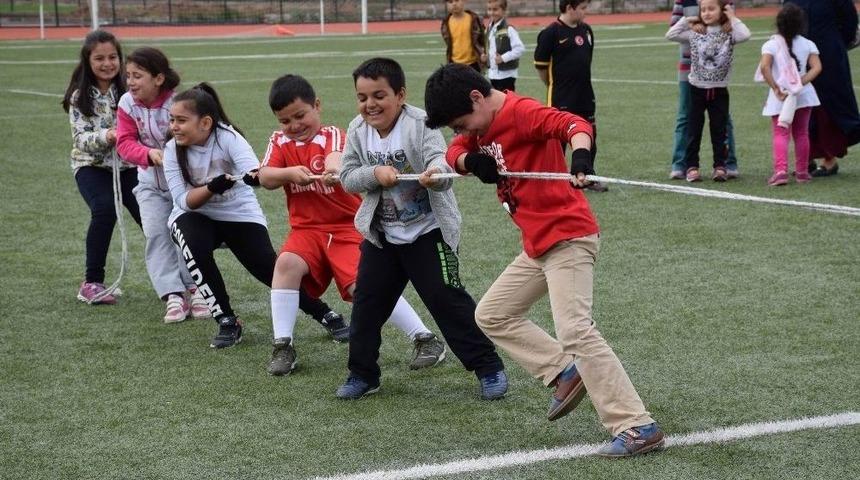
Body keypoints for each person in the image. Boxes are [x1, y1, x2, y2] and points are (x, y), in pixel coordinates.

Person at [424, 63, 664, 458]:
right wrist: (470, 161)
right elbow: (454, 153)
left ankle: (637, 425)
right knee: (492, 314)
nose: (463, 133)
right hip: (537, 245)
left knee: (575, 330)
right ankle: (564, 371)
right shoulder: (479, 127)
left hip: (568, 237)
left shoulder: (522, 113)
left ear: (476, 98)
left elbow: (573, 125)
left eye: (462, 123)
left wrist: (582, 158)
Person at [117, 47, 337, 328]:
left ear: (206, 123)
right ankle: (225, 320)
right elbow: (184, 202)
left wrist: (275, 175)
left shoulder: (228, 138)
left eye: (181, 120)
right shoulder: (172, 150)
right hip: (197, 215)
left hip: (237, 213)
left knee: (267, 268)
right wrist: (211, 187)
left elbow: (255, 174)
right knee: (188, 235)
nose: (174, 126)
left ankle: (325, 314)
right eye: (172, 120)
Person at [335, 57, 506, 400]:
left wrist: (435, 175)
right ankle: (363, 374)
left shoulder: (420, 124)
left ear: (400, 95)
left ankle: (488, 368)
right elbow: (347, 177)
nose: (370, 104)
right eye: (363, 97)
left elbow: (441, 163)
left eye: (379, 95)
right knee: (366, 305)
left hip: (429, 234)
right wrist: (374, 175)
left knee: (448, 301)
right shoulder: (357, 129)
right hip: (382, 237)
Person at [258, 73, 447, 375]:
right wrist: (289, 172)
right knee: (285, 266)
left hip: (345, 228)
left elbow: (336, 159)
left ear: (316, 106)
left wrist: (334, 170)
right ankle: (283, 345)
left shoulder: (332, 134)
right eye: (285, 120)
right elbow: (265, 176)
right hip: (306, 230)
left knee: (365, 286)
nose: (294, 126)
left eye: (300, 115)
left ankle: (424, 338)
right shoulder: (278, 141)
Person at [115, 47, 209, 322]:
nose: (131, 82)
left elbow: (196, 138)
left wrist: (171, 152)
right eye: (128, 76)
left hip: (185, 186)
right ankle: (172, 295)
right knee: (156, 234)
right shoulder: (126, 104)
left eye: (137, 76)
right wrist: (148, 154)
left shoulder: (180, 102)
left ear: (158, 78)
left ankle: (197, 288)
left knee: (186, 236)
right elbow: (124, 143)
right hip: (149, 184)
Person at [62, 30, 141, 305]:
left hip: (129, 165)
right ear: (88, 60)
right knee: (104, 209)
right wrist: (108, 136)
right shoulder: (78, 96)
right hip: (91, 166)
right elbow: (81, 140)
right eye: (99, 58)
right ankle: (92, 282)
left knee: (151, 214)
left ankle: (180, 280)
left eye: (112, 57)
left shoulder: (130, 90)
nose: (107, 63)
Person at [666, 0, 750, 182]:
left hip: (719, 90)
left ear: (722, 11)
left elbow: (745, 34)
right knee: (693, 128)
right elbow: (671, 34)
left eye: (711, 9)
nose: (706, 13)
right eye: (703, 10)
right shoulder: (694, 32)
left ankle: (721, 166)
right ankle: (690, 166)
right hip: (696, 87)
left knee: (719, 130)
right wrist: (689, 20)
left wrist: (733, 18)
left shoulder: (728, 33)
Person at [534, 0, 608, 192]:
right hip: (561, 97)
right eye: (583, 8)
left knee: (590, 136)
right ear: (569, 8)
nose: (586, 12)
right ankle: (555, 181)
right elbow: (541, 67)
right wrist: (553, 85)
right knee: (558, 143)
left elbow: (586, 61)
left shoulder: (587, 31)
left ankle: (587, 177)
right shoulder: (550, 33)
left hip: (584, 95)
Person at [784, 0, 860, 177]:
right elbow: (786, 19)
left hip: (829, 55)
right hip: (798, 57)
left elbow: (850, 21)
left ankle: (829, 159)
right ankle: (806, 159)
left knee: (828, 107)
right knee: (800, 105)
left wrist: (838, 43)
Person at [757, 3, 821, 186]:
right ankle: (802, 172)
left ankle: (781, 171)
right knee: (802, 133)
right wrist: (801, 82)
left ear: (778, 23)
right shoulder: (808, 43)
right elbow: (817, 67)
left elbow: (764, 67)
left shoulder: (770, 44)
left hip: (782, 95)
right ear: (801, 24)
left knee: (780, 133)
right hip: (803, 94)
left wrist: (776, 87)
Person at [481, 0, 524, 92]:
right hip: (493, 74)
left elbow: (519, 49)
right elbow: (490, 48)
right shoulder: (489, 28)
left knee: (507, 101)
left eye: (495, 9)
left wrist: (503, 58)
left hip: (507, 74)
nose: (492, 12)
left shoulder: (509, 29)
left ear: (504, 10)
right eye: (489, 9)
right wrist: (486, 58)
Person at [441, 0, 485, 72]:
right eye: (450, 2)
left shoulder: (473, 19)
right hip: (454, 64)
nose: (454, 4)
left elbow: (482, 39)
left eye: (457, 0)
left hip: (473, 64)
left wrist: (483, 53)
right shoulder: (446, 24)